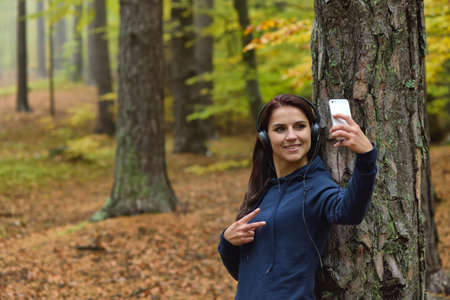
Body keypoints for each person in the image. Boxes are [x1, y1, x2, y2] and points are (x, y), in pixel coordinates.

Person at [218, 94, 377, 299]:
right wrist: (227, 241)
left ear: (312, 132)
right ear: (265, 137)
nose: (292, 136)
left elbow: (350, 212)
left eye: (300, 126)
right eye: (280, 129)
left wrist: (366, 157)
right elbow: (245, 273)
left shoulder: (316, 186)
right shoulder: (262, 189)